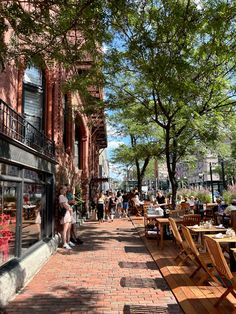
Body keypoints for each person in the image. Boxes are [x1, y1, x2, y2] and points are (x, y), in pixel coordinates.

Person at [59, 185, 75, 250]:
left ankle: (68, 241)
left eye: (66, 189)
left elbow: (67, 205)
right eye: (64, 189)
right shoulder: (61, 196)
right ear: (61, 190)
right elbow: (65, 205)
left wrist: (70, 208)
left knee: (69, 229)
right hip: (65, 213)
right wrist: (70, 208)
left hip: (68, 213)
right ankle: (64, 243)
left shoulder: (64, 196)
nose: (65, 190)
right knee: (65, 230)